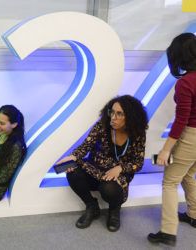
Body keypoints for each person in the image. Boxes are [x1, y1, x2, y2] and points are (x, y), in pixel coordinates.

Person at [57, 95, 148, 232]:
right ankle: (91, 206)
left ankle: (114, 210)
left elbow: (138, 163)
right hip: (95, 168)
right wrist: (73, 157)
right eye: (112, 112)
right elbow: (86, 146)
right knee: (72, 171)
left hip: (117, 175)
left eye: (119, 114)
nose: (113, 117)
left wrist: (120, 168)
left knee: (109, 188)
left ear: (130, 117)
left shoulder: (137, 133)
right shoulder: (102, 125)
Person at [148, 33, 196, 247]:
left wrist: (167, 150)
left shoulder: (186, 82)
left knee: (170, 182)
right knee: (188, 174)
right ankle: (194, 214)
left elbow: (181, 121)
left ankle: (168, 231)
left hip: (191, 136)